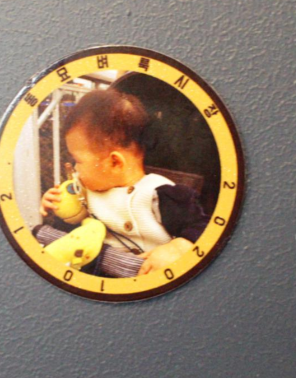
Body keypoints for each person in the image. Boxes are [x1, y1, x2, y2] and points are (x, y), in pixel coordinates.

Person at [40, 89, 209, 276]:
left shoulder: (159, 194)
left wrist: (180, 247)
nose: (75, 169)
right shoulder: (85, 192)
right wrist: (58, 210)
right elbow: (73, 237)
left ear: (115, 162)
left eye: (78, 161)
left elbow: (204, 227)